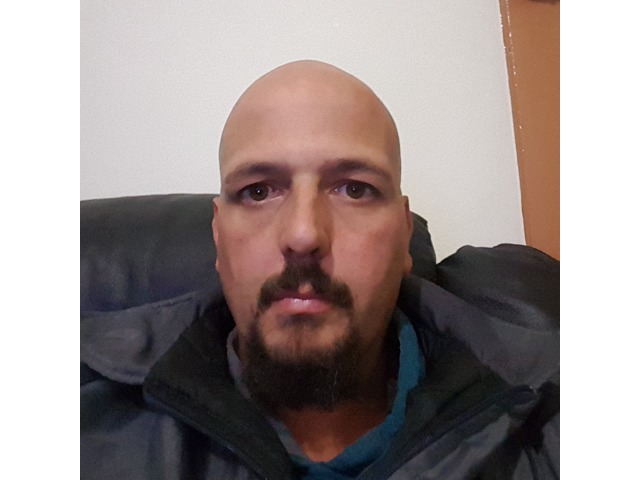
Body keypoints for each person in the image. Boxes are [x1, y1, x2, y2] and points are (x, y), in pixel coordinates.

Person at [81, 60, 559, 479]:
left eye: (354, 189)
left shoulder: (551, 413)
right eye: (258, 191)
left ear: (403, 234)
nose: (303, 234)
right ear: (218, 237)